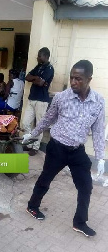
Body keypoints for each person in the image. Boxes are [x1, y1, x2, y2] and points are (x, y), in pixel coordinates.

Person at [22, 60, 105, 237]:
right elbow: (47, 119)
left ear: (89, 79)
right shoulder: (61, 98)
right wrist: (33, 134)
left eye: (78, 79)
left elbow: (98, 130)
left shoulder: (98, 102)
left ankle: (80, 222)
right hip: (57, 149)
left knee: (86, 187)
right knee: (45, 179)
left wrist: (100, 158)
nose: (73, 82)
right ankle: (32, 206)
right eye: (71, 77)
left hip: (77, 152)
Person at [22, 47, 54, 156]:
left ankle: (35, 147)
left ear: (45, 56)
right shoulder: (39, 67)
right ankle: (29, 143)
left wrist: (36, 80)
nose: (37, 57)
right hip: (32, 98)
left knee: (39, 125)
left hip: (41, 101)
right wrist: (36, 78)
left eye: (39, 56)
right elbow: (27, 77)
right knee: (26, 123)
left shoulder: (49, 69)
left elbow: (41, 83)